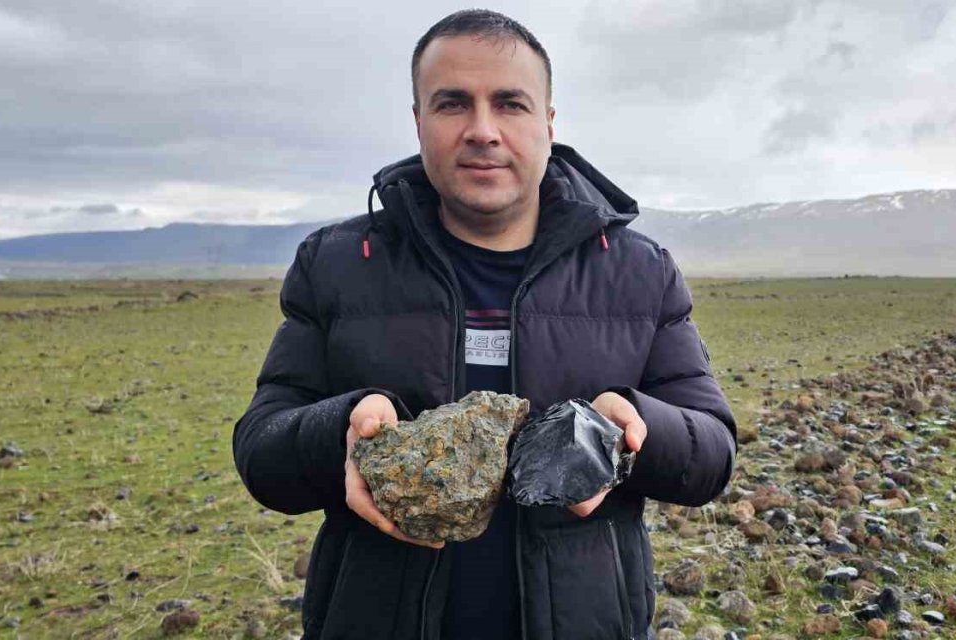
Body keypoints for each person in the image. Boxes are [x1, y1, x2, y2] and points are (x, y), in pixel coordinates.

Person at [232, 9, 736, 640]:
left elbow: (713, 453)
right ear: (418, 122)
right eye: (451, 104)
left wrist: (637, 429)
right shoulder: (337, 265)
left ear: (548, 122)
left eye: (510, 104)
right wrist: (342, 434)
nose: (482, 130)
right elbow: (261, 449)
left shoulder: (638, 273)